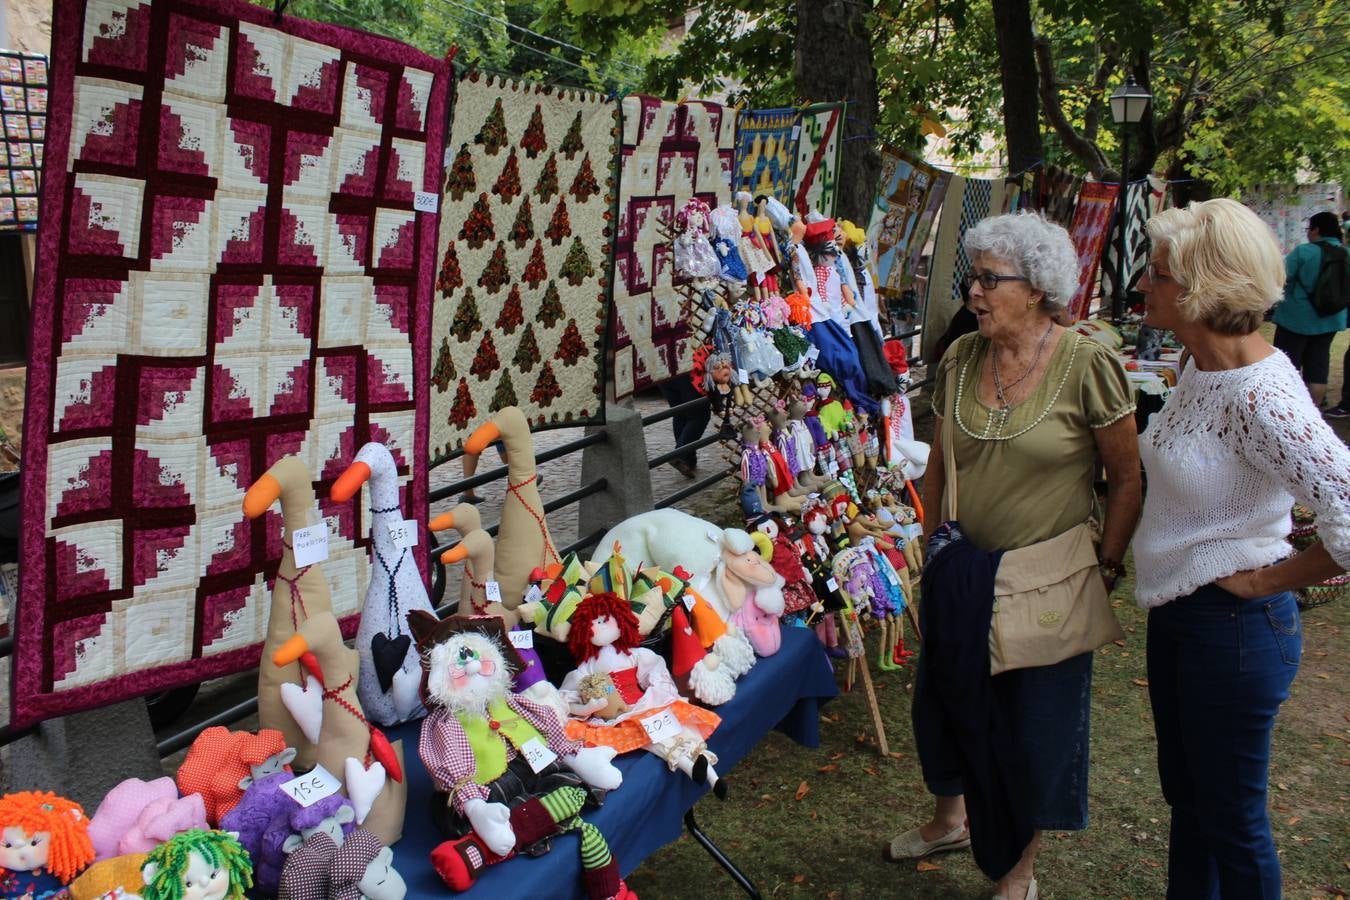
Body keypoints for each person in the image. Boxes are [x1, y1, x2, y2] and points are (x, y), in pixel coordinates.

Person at [887, 212, 1142, 900]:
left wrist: (1109, 563)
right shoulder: (963, 356)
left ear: (1036, 289)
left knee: (1034, 727)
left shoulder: (1087, 363)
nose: (974, 291)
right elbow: (938, 460)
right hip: (964, 572)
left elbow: (1126, 475)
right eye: (974, 276)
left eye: (988, 279)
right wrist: (931, 543)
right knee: (944, 702)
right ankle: (951, 819)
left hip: (1047, 580)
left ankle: (1019, 873)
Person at [1133, 199, 1350, 898]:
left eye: (1158, 272)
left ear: (1202, 287)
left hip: (1233, 633)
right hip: (1184, 618)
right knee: (1192, 806)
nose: (1143, 283)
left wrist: (1270, 581)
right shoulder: (1202, 369)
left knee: (1230, 820)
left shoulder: (1261, 393)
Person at [1271, 211, 1345, 408]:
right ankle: (1313, 412)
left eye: (1309, 229)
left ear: (1316, 230)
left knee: (1287, 365)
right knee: (1318, 367)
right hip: (1331, 320)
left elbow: (1280, 276)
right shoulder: (1346, 254)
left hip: (1296, 319)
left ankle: (1286, 409)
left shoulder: (1304, 252)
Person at [656, 375, 710, 477]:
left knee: (680, 414)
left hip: (663, 372)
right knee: (699, 415)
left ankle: (688, 460)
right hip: (686, 372)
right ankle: (680, 455)